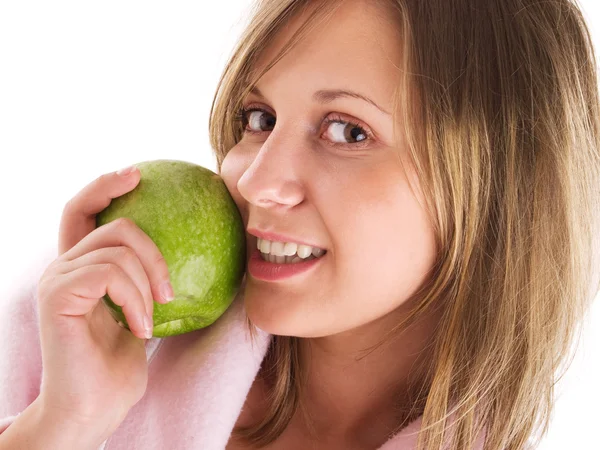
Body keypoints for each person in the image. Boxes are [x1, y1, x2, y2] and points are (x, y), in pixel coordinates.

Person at [1, 0, 599, 449]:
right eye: (259, 117)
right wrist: (64, 424)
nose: (256, 182)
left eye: (347, 131)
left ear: (498, 186)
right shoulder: (71, 331)